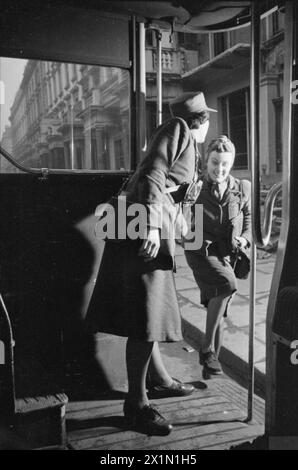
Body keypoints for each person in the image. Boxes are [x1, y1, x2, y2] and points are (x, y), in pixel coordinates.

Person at [86, 91, 217, 435]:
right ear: (200, 121)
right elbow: (152, 175)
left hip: (144, 225)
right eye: (208, 120)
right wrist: (152, 228)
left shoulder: (180, 135)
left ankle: (158, 380)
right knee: (147, 316)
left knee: (150, 314)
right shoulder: (179, 129)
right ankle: (137, 404)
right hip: (144, 230)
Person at [184, 136, 251, 376]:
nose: (219, 169)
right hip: (200, 250)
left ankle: (212, 366)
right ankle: (206, 348)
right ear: (206, 161)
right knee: (227, 285)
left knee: (221, 310)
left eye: (225, 164)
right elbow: (180, 217)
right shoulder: (196, 186)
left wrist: (245, 238)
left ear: (231, 164)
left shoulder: (241, 187)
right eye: (215, 162)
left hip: (227, 253)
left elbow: (248, 217)